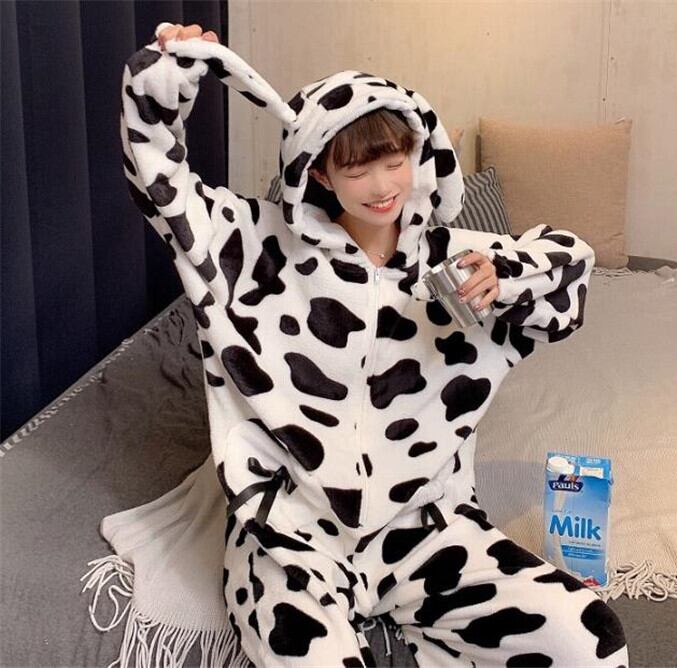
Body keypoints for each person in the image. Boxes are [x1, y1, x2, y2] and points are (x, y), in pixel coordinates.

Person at [120, 21, 629, 667]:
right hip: (293, 535)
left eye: (395, 161)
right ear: (319, 172)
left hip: (426, 529)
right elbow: (160, 182)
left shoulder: (456, 258)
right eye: (358, 168)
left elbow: (570, 265)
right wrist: (162, 81)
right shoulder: (254, 246)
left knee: (591, 640)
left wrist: (510, 279)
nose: (384, 185)